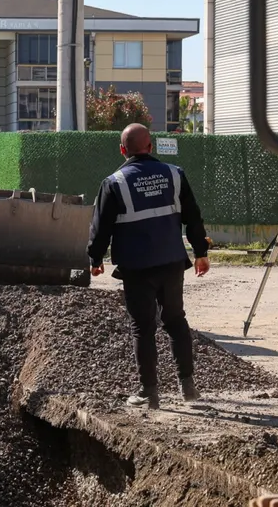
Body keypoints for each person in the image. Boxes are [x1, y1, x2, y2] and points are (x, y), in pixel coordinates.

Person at [87, 123, 211, 410]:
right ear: (150, 147)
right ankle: (188, 386)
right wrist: (201, 253)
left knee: (143, 328)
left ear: (122, 150)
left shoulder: (114, 182)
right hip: (170, 263)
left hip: (137, 267)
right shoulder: (174, 175)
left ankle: (149, 392)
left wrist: (94, 259)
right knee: (175, 321)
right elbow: (192, 216)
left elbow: (100, 226)